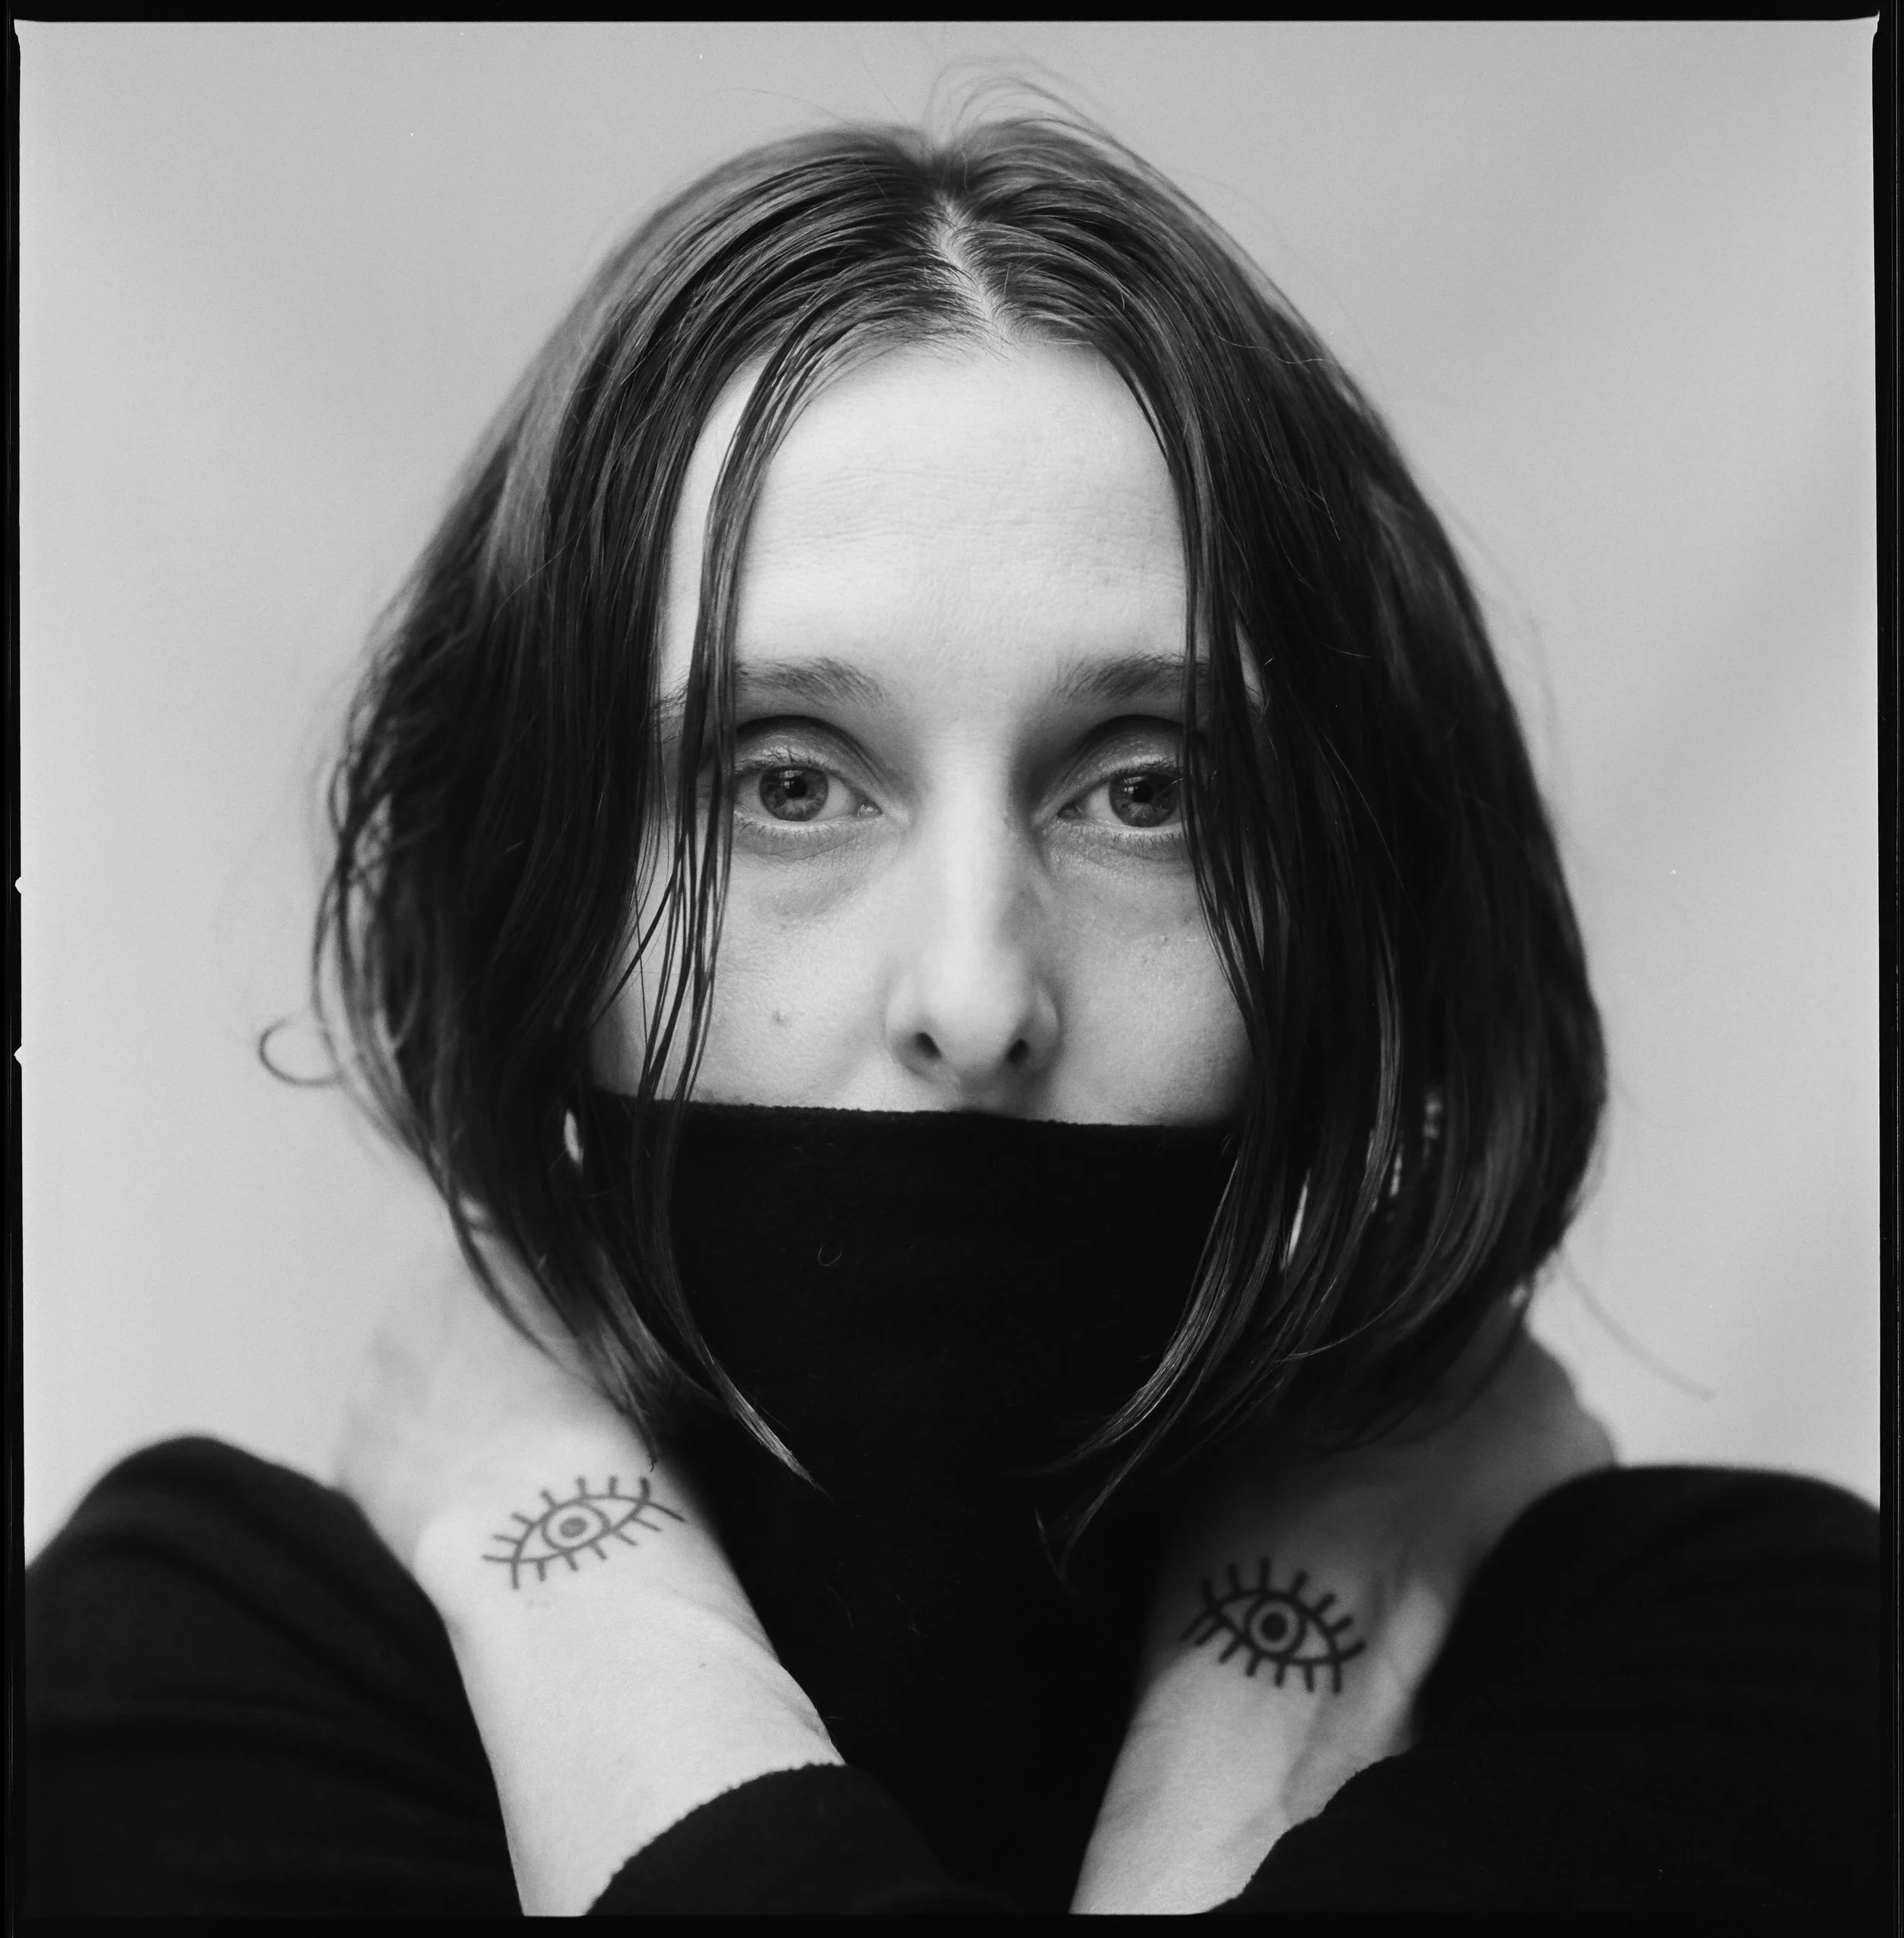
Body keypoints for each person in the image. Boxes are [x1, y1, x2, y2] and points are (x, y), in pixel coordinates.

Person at [24, 114, 1879, 1918]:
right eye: (786, 782)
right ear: (536, 914)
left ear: (1352, 921)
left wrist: (558, 1570)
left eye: (1146, 793)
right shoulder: (197, 1670)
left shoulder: (1751, 1660)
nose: (977, 995)